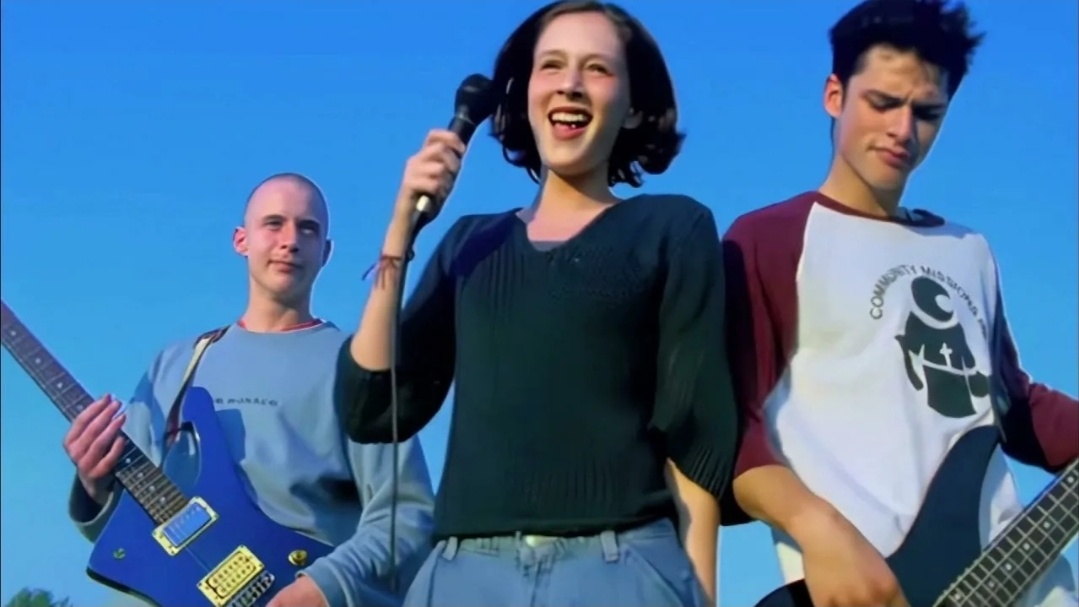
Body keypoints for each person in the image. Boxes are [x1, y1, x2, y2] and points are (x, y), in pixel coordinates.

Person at [338, 1, 739, 605]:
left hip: (619, 567)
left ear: (634, 107)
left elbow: (694, 436)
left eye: (597, 69)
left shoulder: (673, 228)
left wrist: (699, 595)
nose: (570, 84)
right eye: (551, 65)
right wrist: (400, 230)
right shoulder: (471, 243)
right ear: (525, 94)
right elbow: (373, 407)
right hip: (463, 574)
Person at [720, 1, 1079, 606]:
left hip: (1024, 579)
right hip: (875, 586)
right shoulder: (770, 239)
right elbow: (731, 426)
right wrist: (815, 526)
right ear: (834, 95)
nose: (903, 130)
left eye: (927, 113)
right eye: (883, 103)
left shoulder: (968, 249)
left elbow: (1011, 405)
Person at [63, 173, 437, 607]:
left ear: (326, 252)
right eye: (274, 224)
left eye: (308, 229)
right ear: (241, 241)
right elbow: (132, 535)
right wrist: (94, 488)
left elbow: (407, 517)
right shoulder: (177, 364)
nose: (290, 241)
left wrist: (325, 585)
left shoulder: (359, 367)